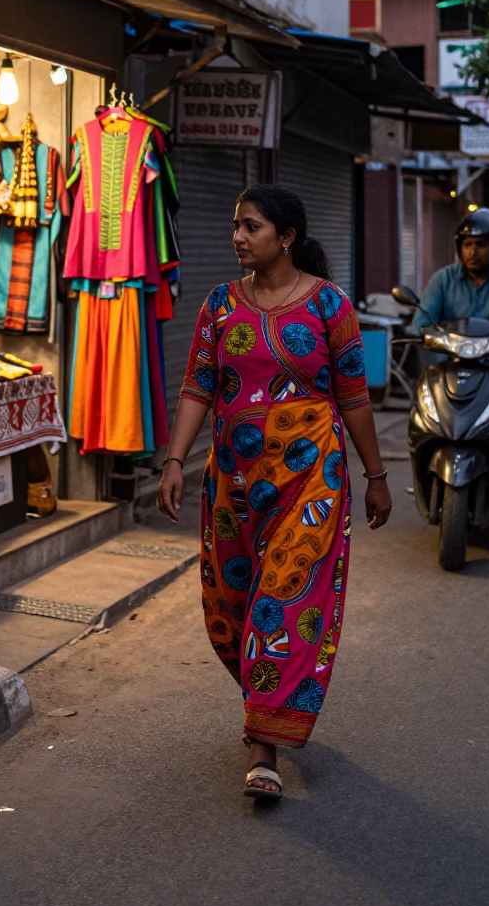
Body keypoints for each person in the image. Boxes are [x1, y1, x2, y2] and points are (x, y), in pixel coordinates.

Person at [157, 185, 391, 801]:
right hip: (233, 480)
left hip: (312, 480)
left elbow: (356, 398)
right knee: (229, 604)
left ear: (285, 237)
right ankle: (268, 697)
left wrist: (376, 476)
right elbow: (199, 386)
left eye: (250, 227)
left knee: (282, 602)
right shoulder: (217, 305)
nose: (237, 236)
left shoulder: (329, 305)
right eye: (236, 225)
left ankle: (263, 750)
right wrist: (176, 459)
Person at [410, 207, 489, 455]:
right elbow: (422, 320)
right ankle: (426, 459)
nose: (473, 251)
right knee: (424, 396)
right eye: (468, 244)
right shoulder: (443, 279)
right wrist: (428, 336)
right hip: (453, 361)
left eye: (481, 244)